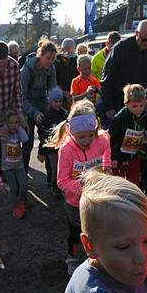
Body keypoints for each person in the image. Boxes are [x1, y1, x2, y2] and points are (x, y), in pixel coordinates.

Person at [51, 100, 112, 274]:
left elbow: (107, 147)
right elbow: (61, 182)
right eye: (82, 137)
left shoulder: (102, 139)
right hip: (75, 202)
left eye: (90, 136)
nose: (87, 141)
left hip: (96, 197)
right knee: (76, 232)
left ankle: (93, 258)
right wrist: (82, 184)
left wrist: (107, 165)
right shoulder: (66, 150)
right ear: (71, 133)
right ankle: (72, 258)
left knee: (95, 229)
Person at [100, 21, 147, 125]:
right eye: (144, 39)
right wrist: (109, 108)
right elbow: (107, 79)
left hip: (143, 107)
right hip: (119, 103)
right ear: (136, 33)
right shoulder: (120, 48)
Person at [108, 84, 147, 189]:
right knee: (118, 184)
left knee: (134, 183)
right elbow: (112, 140)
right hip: (119, 158)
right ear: (126, 104)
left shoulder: (144, 116)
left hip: (134, 157)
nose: (139, 109)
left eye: (141, 105)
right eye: (134, 106)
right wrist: (113, 157)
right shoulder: (119, 119)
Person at [22, 38, 58, 178]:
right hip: (28, 107)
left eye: (53, 59)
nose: (50, 62)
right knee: (28, 142)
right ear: (40, 55)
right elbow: (22, 97)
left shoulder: (52, 69)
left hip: (43, 106)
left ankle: (52, 177)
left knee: (50, 140)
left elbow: (52, 90)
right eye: (48, 58)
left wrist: (52, 109)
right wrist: (34, 113)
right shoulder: (26, 71)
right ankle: (23, 173)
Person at [0, 107, 31, 219]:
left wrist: (20, 128)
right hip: (8, 167)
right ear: (6, 123)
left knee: (24, 185)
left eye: (16, 122)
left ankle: (21, 200)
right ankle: (15, 207)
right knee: (14, 188)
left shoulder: (18, 132)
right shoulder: (4, 132)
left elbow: (25, 139)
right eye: (11, 123)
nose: (14, 125)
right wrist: (6, 127)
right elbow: (2, 138)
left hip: (19, 165)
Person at [38, 88, 68, 195]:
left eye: (60, 101)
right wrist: (41, 151)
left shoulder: (64, 114)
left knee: (61, 165)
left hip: (62, 145)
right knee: (51, 166)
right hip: (50, 147)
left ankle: (59, 183)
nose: (58, 104)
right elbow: (43, 134)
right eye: (55, 102)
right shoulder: (47, 115)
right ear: (50, 102)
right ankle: (52, 182)